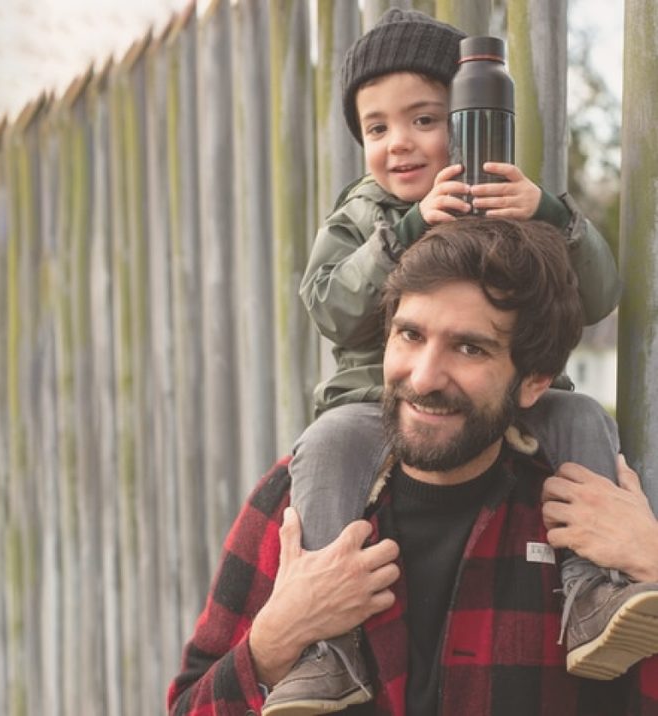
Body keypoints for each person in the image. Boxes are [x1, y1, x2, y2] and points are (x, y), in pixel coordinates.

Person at [276, 7, 647, 712]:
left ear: (471, 120)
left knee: (583, 419)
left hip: (513, 399)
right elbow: (330, 307)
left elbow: (597, 297)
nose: (399, 143)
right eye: (376, 128)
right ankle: (327, 650)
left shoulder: (508, 197)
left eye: (424, 119)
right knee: (325, 446)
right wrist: (406, 229)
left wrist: (552, 214)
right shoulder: (363, 215)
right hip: (374, 406)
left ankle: (594, 593)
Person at [167, 218, 658, 716]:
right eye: (410, 335)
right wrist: (275, 641)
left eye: (469, 348)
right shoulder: (298, 501)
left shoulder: (594, 517)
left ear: (534, 381)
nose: (423, 378)